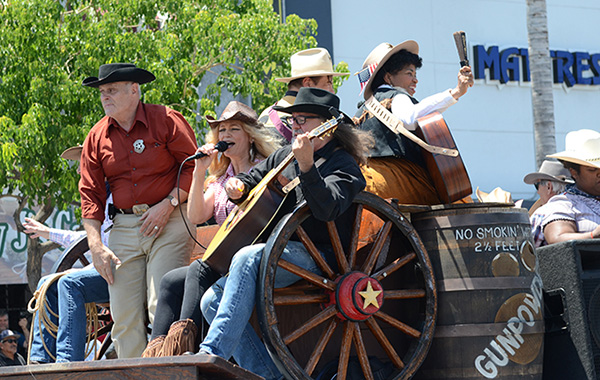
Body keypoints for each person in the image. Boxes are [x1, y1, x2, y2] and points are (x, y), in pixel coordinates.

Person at [198, 87, 370, 380]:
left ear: (327, 126)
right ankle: (268, 376)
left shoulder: (345, 166)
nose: (295, 127)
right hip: (277, 252)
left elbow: (326, 209)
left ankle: (210, 354)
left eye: (303, 120)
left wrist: (306, 166)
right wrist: (236, 187)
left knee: (248, 257)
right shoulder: (282, 155)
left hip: (321, 260)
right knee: (210, 301)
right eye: (293, 121)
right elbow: (251, 178)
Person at [142, 101, 281, 357]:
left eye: (234, 129)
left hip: (252, 261)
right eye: (222, 130)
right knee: (171, 281)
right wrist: (199, 171)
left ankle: (185, 348)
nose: (225, 136)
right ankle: (157, 354)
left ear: (251, 136)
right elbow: (195, 216)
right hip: (222, 260)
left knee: (197, 269)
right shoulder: (219, 180)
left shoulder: (264, 170)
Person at [79, 63, 198, 358]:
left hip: (170, 220)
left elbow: (194, 168)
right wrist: (96, 246)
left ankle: (168, 373)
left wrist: (168, 204)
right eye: (102, 91)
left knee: (162, 305)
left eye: (112, 90)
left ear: (134, 90)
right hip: (124, 228)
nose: (105, 96)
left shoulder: (166, 120)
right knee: (123, 318)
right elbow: (90, 195)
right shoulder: (96, 137)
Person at [353, 40, 474, 205]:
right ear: (388, 77)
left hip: (364, 175)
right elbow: (411, 119)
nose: (415, 80)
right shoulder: (397, 96)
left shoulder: (362, 110)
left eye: (415, 74)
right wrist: (456, 92)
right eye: (409, 73)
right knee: (462, 203)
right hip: (397, 178)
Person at [26, 145, 112, 363]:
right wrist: (46, 232)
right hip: (101, 271)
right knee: (46, 283)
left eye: (84, 164)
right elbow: (87, 239)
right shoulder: (98, 200)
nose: (78, 171)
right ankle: (40, 358)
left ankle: (67, 360)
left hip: (121, 271)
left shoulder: (116, 199)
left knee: (68, 283)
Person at [258, 48, 348, 143]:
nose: (332, 91)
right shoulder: (311, 121)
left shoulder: (265, 113)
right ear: (308, 83)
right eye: (328, 83)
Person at [532, 129, 600, 247]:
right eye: (592, 170)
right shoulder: (564, 204)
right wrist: (593, 235)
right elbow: (557, 238)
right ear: (574, 172)